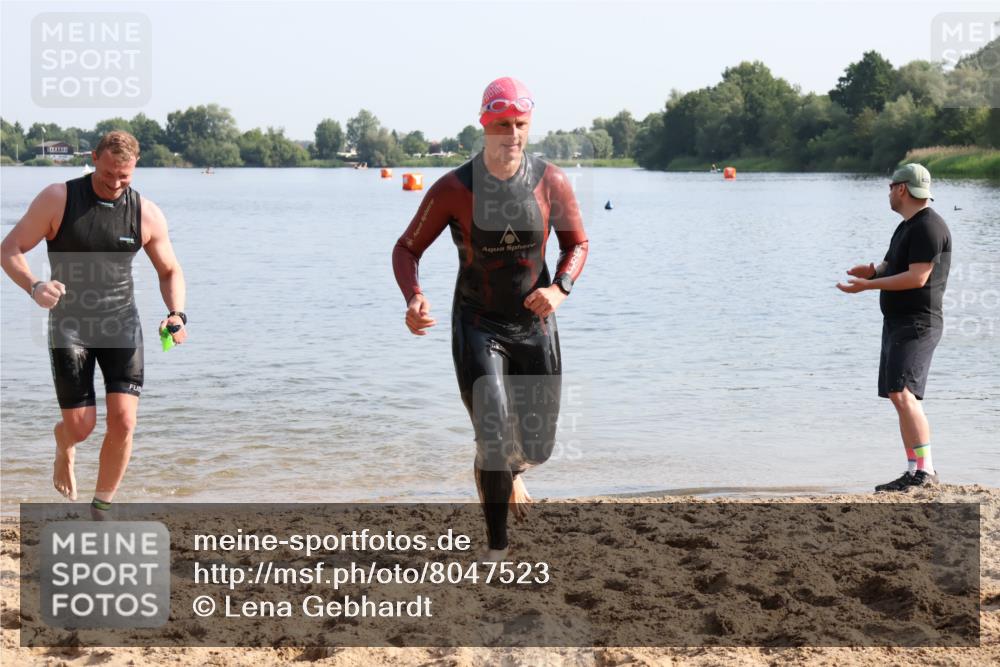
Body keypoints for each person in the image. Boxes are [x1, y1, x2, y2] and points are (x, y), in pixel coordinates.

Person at [392, 77, 589, 559]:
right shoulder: (455, 188)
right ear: (484, 125)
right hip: (478, 324)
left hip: (534, 325)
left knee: (539, 447)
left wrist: (558, 289)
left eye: (520, 124)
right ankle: (497, 545)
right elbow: (406, 248)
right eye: (502, 124)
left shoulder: (551, 181)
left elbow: (577, 244)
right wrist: (414, 297)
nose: (512, 134)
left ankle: (506, 471)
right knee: (496, 432)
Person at [0, 130, 188, 514]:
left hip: (121, 322)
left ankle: (100, 509)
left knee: (124, 421)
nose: (116, 184)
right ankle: (64, 441)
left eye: (125, 177)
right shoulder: (59, 198)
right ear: (94, 159)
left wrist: (176, 314)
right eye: (108, 176)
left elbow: (170, 270)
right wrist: (34, 286)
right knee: (81, 428)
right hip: (70, 325)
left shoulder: (145, 212)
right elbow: (10, 249)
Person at [837, 163, 951, 492]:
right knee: (896, 395)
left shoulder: (929, 226)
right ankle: (913, 469)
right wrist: (873, 271)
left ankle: (926, 472)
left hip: (919, 322)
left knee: (904, 393)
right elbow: (893, 264)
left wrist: (867, 288)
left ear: (902, 189)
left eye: (890, 186)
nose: (888, 192)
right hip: (898, 322)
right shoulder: (907, 226)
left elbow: (918, 277)